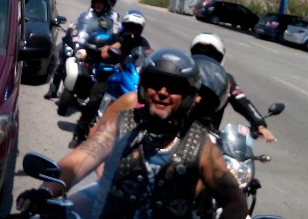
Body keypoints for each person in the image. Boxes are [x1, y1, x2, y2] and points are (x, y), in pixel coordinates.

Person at [16, 48, 248, 219]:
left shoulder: (200, 144)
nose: (163, 92)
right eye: (156, 83)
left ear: (188, 96)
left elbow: (235, 203)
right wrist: (45, 192)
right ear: (144, 88)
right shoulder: (123, 124)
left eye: (174, 87)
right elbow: (78, 162)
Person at [68, 9, 151, 149]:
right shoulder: (116, 37)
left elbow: (147, 58)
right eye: (130, 26)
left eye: (136, 27)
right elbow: (104, 54)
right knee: (94, 100)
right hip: (111, 72)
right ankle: (79, 133)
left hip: (130, 75)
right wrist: (121, 42)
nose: (133, 30)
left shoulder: (143, 43)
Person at [189, 32, 276, 142]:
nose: (206, 61)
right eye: (201, 55)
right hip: (176, 130)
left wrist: (260, 124)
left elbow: (242, 101)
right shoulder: (183, 73)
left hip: (208, 137)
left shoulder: (225, 80)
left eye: (211, 57)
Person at [45, 0, 121, 100]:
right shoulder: (85, 14)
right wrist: (71, 32)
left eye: (101, 3)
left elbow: (111, 35)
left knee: (98, 69)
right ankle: (53, 89)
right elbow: (76, 25)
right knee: (63, 59)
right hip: (81, 44)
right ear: (93, 3)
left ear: (105, 5)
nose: (98, 5)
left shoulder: (108, 20)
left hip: (95, 48)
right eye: (97, 2)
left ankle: (91, 94)